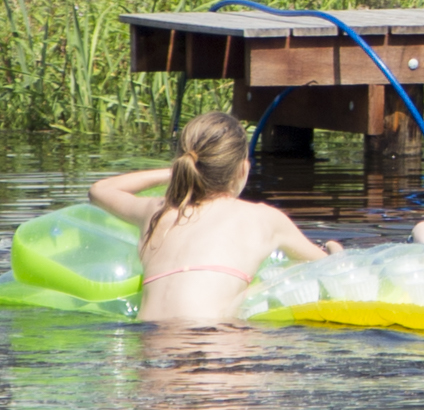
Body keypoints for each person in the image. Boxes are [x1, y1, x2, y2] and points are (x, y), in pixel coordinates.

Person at [88, 112, 337, 326]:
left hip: (151, 352)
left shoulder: (157, 212)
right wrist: (335, 249)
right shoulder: (264, 218)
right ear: (243, 169)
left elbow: (100, 190)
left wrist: (175, 171)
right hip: (215, 343)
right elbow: (325, 267)